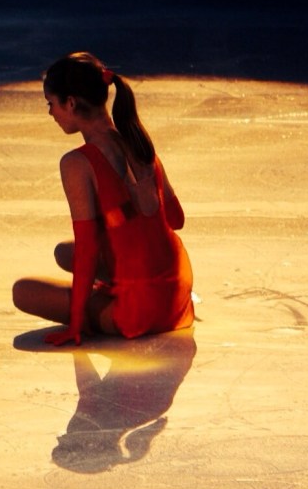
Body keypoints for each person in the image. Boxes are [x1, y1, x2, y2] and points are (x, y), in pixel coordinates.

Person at [12, 52, 194, 346]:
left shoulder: (77, 163)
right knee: (63, 252)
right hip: (177, 291)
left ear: (71, 103)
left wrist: (76, 324)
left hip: (140, 312)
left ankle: (119, 293)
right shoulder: (139, 143)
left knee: (22, 291)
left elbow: (87, 250)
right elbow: (176, 219)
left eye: (51, 103)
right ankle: (122, 283)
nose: (51, 113)